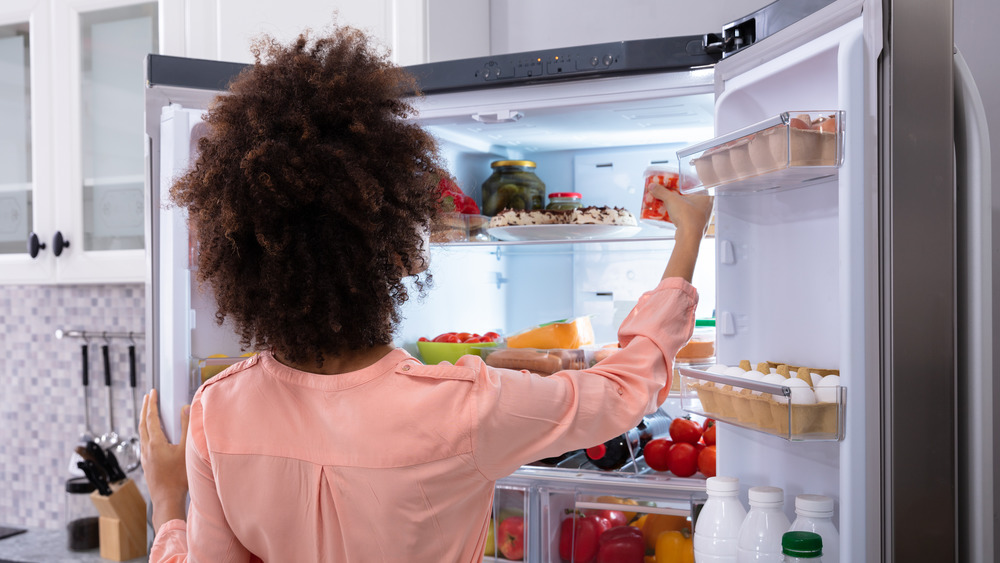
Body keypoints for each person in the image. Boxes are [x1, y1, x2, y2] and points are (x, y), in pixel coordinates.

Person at [140, 23, 714, 563]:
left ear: (238, 254)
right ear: (398, 251)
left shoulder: (218, 410)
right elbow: (623, 392)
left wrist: (168, 502)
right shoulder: (463, 405)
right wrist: (686, 238)